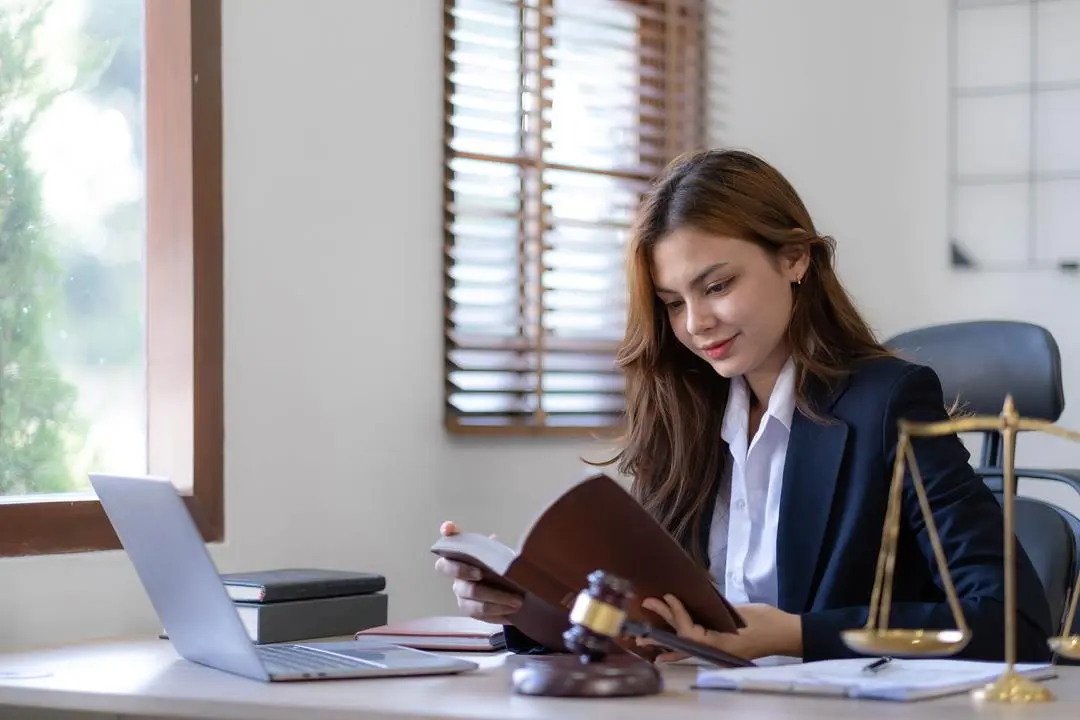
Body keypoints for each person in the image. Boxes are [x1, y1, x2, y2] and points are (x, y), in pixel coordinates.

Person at [434, 149, 1054, 664]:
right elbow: (650, 615)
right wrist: (526, 608)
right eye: (673, 303)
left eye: (718, 285)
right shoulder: (688, 411)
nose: (697, 323)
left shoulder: (887, 404)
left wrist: (793, 633)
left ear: (795, 258)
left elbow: (1012, 624)